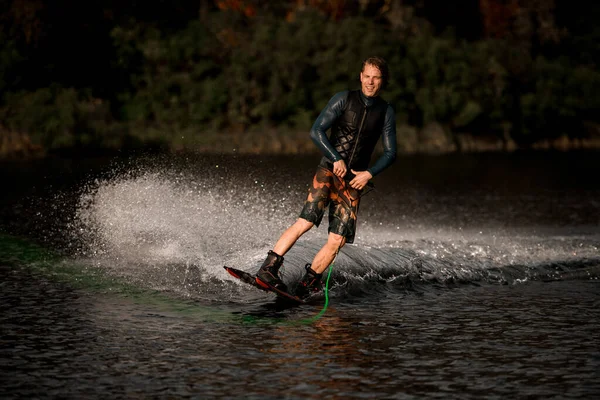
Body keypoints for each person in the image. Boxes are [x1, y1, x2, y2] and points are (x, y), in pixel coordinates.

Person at [255, 56, 397, 299]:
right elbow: (316, 131)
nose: (371, 82)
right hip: (328, 172)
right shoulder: (344, 99)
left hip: (353, 182)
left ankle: (307, 284)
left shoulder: (386, 111)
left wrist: (369, 174)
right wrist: (335, 158)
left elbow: (391, 152)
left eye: (376, 78)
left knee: (338, 240)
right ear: (360, 76)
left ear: (382, 81)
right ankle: (268, 269)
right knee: (306, 222)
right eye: (367, 76)